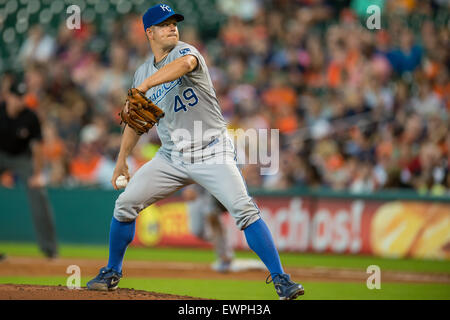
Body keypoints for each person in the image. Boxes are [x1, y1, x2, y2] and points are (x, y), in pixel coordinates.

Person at [87, 4, 304, 300]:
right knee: (125, 204)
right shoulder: (141, 73)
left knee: (243, 209)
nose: (172, 27)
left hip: (212, 150)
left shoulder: (185, 52)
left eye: (174, 22)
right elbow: (137, 122)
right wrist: (122, 160)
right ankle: (112, 271)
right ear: (149, 32)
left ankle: (281, 279)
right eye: (164, 24)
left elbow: (186, 65)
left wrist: (148, 84)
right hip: (171, 157)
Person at [0, 79, 58, 259]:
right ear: (8, 96)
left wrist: (38, 174)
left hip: (22, 158)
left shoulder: (30, 117)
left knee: (39, 192)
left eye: (22, 97)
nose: (19, 100)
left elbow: (38, 148)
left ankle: (49, 249)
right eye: (16, 96)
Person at [182, 185, 234, 272]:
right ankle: (221, 243)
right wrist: (187, 188)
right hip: (196, 189)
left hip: (210, 189)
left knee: (212, 218)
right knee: (196, 230)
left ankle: (224, 256)